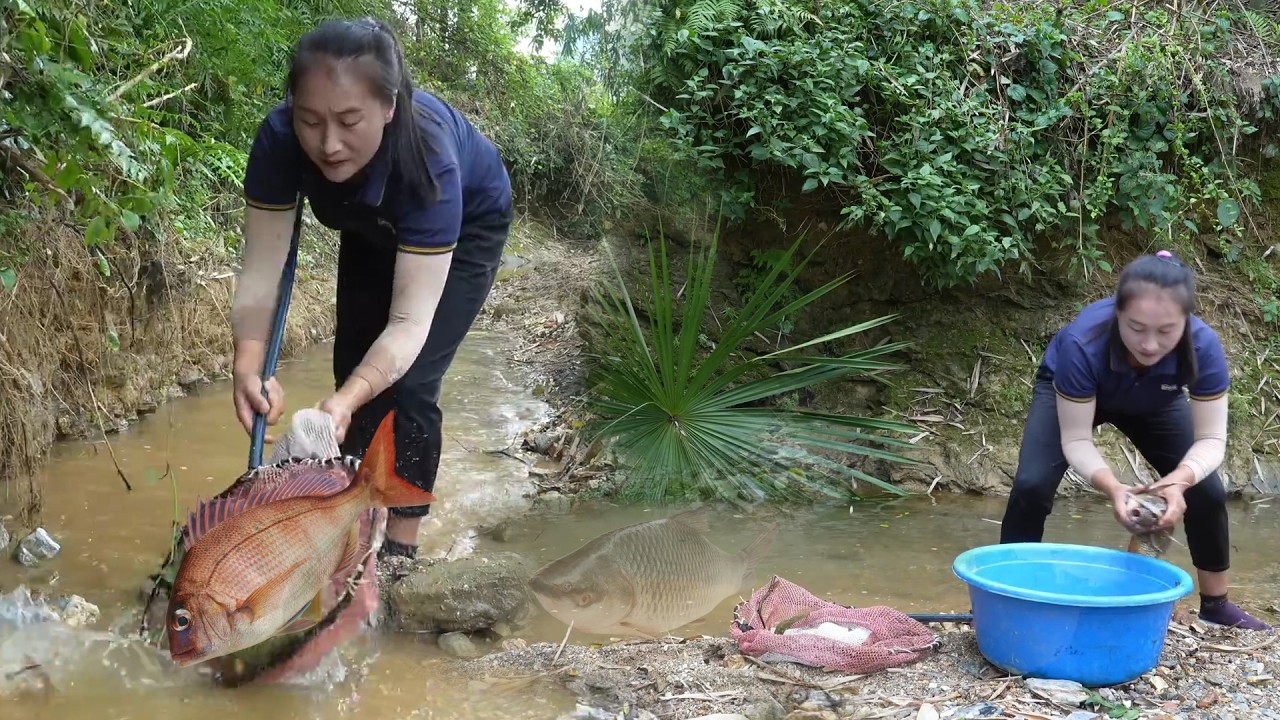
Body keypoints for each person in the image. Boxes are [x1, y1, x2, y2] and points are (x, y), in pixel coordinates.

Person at [228, 17, 513, 560]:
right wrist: (247, 363)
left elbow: (408, 326)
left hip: (465, 228)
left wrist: (347, 399)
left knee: (407, 386)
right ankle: (352, 523)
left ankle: (400, 551)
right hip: (368, 223)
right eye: (310, 120)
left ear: (389, 107)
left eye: (348, 120)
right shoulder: (280, 140)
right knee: (352, 364)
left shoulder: (428, 157)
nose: (328, 143)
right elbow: (263, 270)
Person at [998, 250, 1269, 630]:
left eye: (1166, 332)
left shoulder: (1204, 346)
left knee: (1206, 490)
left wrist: (1179, 481)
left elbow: (1211, 439)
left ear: (1186, 321)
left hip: (1153, 400)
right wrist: (1113, 488)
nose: (1149, 345)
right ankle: (1006, 595)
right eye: (1136, 327)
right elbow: (1076, 439)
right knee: (1031, 484)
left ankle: (1216, 605)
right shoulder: (1083, 343)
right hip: (1077, 395)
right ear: (1118, 314)